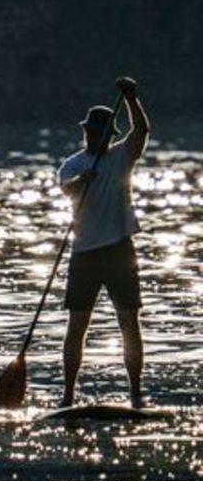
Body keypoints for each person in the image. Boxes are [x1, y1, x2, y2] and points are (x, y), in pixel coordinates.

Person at [58, 76, 150, 409]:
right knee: (77, 324)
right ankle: (68, 394)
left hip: (119, 250)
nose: (96, 139)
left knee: (129, 320)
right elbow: (67, 187)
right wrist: (83, 181)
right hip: (84, 254)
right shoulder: (72, 165)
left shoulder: (121, 157)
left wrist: (131, 99)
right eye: (92, 134)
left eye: (102, 135)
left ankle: (136, 393)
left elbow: (141, 131)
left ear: (109, 136)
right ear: (86, 134)